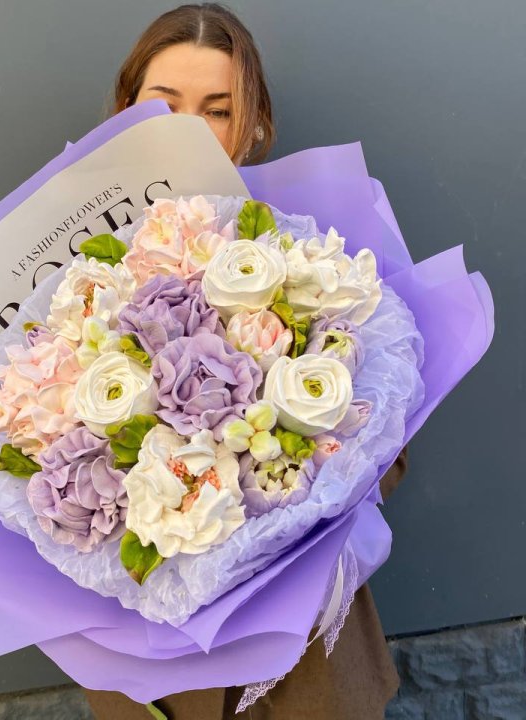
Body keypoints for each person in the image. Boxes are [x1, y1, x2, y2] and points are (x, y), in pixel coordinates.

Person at [84, 4, 407, 718]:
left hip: (304, 661)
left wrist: (292, 472)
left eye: (217, 110)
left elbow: (395, 445)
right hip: (152, 663)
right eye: (163, 104)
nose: (187, 129)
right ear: (125, 110)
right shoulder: (81, 266)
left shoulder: (314, 249)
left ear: (253, 124)